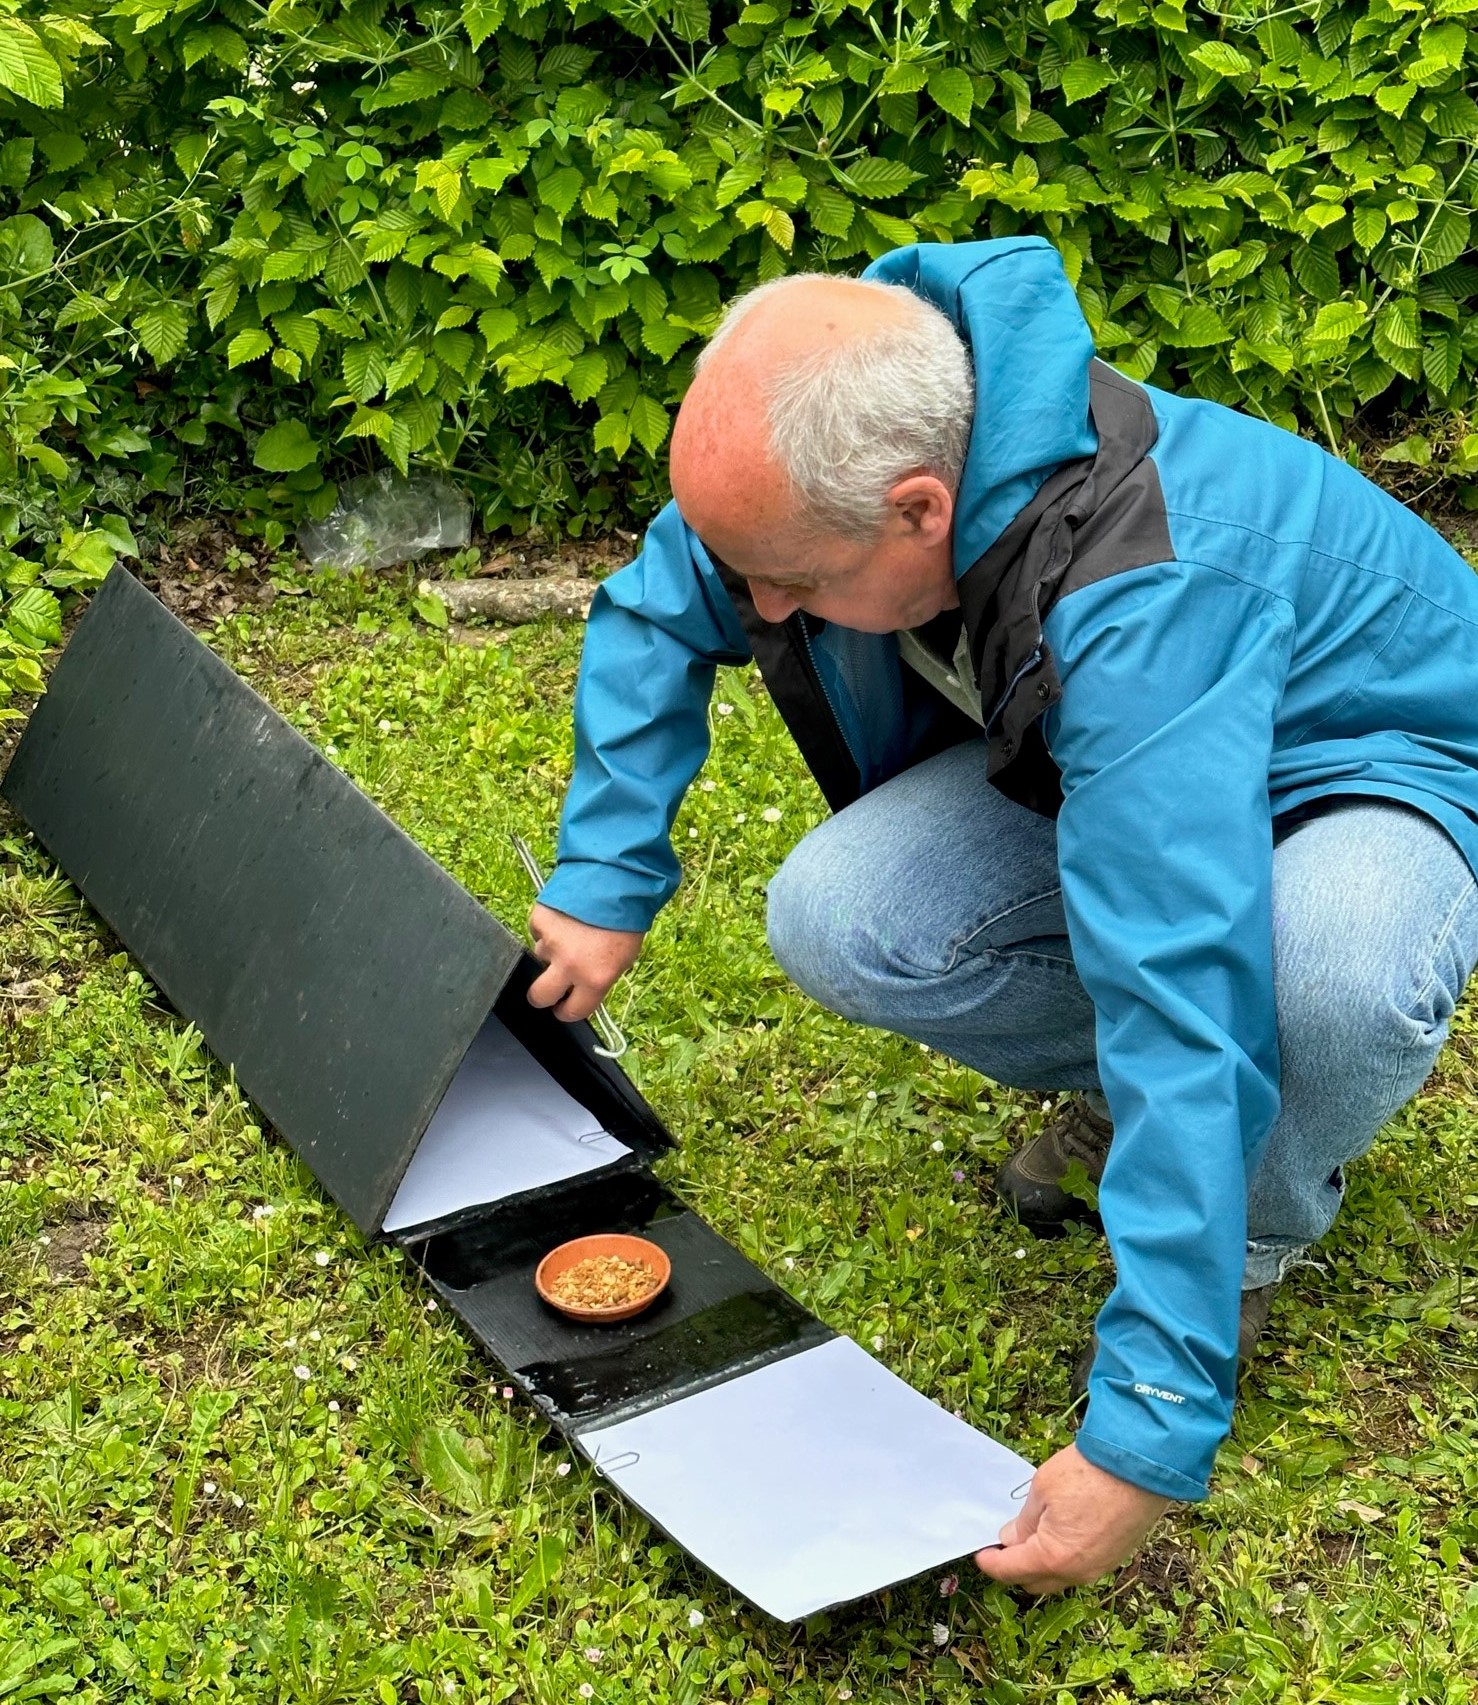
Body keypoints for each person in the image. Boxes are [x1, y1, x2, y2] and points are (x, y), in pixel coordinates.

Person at [523, 237, 1478, 1593]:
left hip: (1362, 770)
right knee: (842, 911)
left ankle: (1249, 1225)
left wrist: (1145, 1435)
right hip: (1136, 762)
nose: (767, 612)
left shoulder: (1139, 594)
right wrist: (601, 878)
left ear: (921, 509)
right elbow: (659, 600)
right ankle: (1150, 1129)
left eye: (792, 583)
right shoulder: (838, 433)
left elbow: (1178, 996)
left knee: (1308, 979)